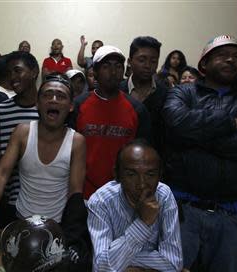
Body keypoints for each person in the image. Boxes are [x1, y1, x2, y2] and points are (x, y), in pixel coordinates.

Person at [163, 35, 237, 272]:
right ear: (204, 63)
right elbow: (176, 124)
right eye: (222, 55)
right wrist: (230, 123)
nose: (230, 60)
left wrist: (197, 140)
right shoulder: (183, 93)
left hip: (234, 215)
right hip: (184, 212)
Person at [0, 73, 86, 236]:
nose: (53, 99)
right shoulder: (22, 132)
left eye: (61, 96)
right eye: (47, 95)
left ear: (70, 106)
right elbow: (1, 175)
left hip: (57, 225)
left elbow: (75, 191)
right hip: (21, 222)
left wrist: (70, 232)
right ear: (37, 104)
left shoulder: (77, 141)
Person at [87, 139, 183, 272]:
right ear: (117, 175)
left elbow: (173, 263)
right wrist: (143, 223)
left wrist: (119, 262)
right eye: (131, 175)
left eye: (150, 175)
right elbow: (102, 268)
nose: (142, 184)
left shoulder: (164, 196)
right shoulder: (101, 201)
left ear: (160, 176)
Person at [70, 45, 151, 199]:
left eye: (118, 67)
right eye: (106, 66)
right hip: (84, 194)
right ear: (94, 71)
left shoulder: (137, 109)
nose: (113, 72)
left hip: (123, 196)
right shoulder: (79, 105)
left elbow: (143, 158)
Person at [0, 51, 40, 225]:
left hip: (45, 201)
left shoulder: (49, 110)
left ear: (34, 72)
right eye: (9, 73)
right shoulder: (1, 111)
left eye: (18, 71)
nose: (12, 77)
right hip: (11, 203)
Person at [119, 36, 167, 155]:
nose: (147, 65)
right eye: (142, 60)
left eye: (153, 61)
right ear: (130, 62)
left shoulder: (165, 93)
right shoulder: (118, 90)